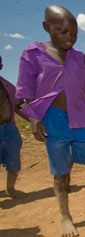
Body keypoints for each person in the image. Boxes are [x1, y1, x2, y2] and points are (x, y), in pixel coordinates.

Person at [15, 5, 85, 237]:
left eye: (73, 33)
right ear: (46, 27)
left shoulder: (80, 58)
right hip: (53, 119)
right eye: (62, 31)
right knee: (61, 170)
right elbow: (27, 88)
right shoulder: (33, 54)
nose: (69, 37)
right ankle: (65, 216)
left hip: (82, 117)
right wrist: (34, 118)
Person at [0, 55, 28, 198]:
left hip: (9, 128)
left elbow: (18, 107)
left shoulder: (9, 87)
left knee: (13, 160)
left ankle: (10, 189)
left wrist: (34, 121)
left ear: (1, 66)